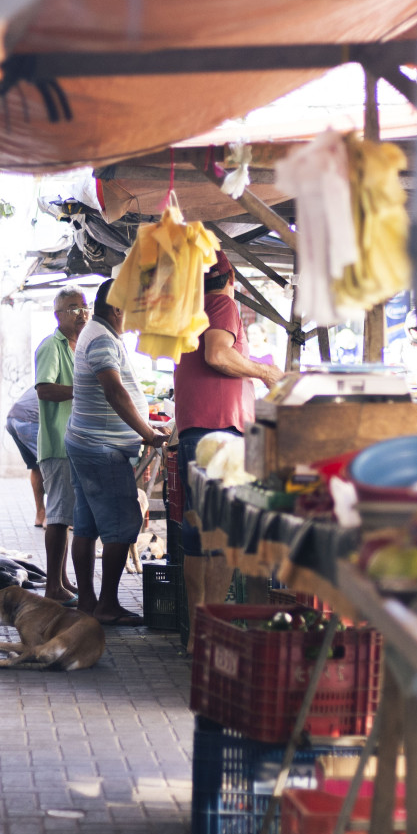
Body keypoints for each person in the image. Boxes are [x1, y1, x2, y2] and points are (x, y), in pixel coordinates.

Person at [171, 250, 283, 609]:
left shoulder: (190, 312)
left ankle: (197, 630)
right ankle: (212, 626)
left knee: (197, 532)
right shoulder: (220, 304)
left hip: (196, 430)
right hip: (218, 430)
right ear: (230, 277)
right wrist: (265, 373)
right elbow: (217, 356)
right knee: (219, 534)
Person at [66, 279, 165, 624]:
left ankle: (88, 603)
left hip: (86, 442)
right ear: (117, 308)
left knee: (87, 524)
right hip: (100, 448)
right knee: (124, 523)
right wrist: (148, 433)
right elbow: (114, 391)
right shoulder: (102, 340)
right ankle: (106, 604)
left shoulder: (97, 333)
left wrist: (147, 426)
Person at [35, 287, 89, 602]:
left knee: (66, 514)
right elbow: (44, 389)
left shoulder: (80, 346)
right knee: (57, 515)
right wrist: (85, 390)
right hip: (58, 444)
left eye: (84, 306)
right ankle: (52, 587)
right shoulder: (51, 346)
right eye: (72, 308)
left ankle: (62, 580)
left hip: (75, 442)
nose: (81, 313)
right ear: (58, 315)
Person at [5, 385, 44, 526]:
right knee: (53, 466)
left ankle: (41, 515)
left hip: (13, 418)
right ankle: (54, 519)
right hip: (30, 421)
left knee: (37, 467)